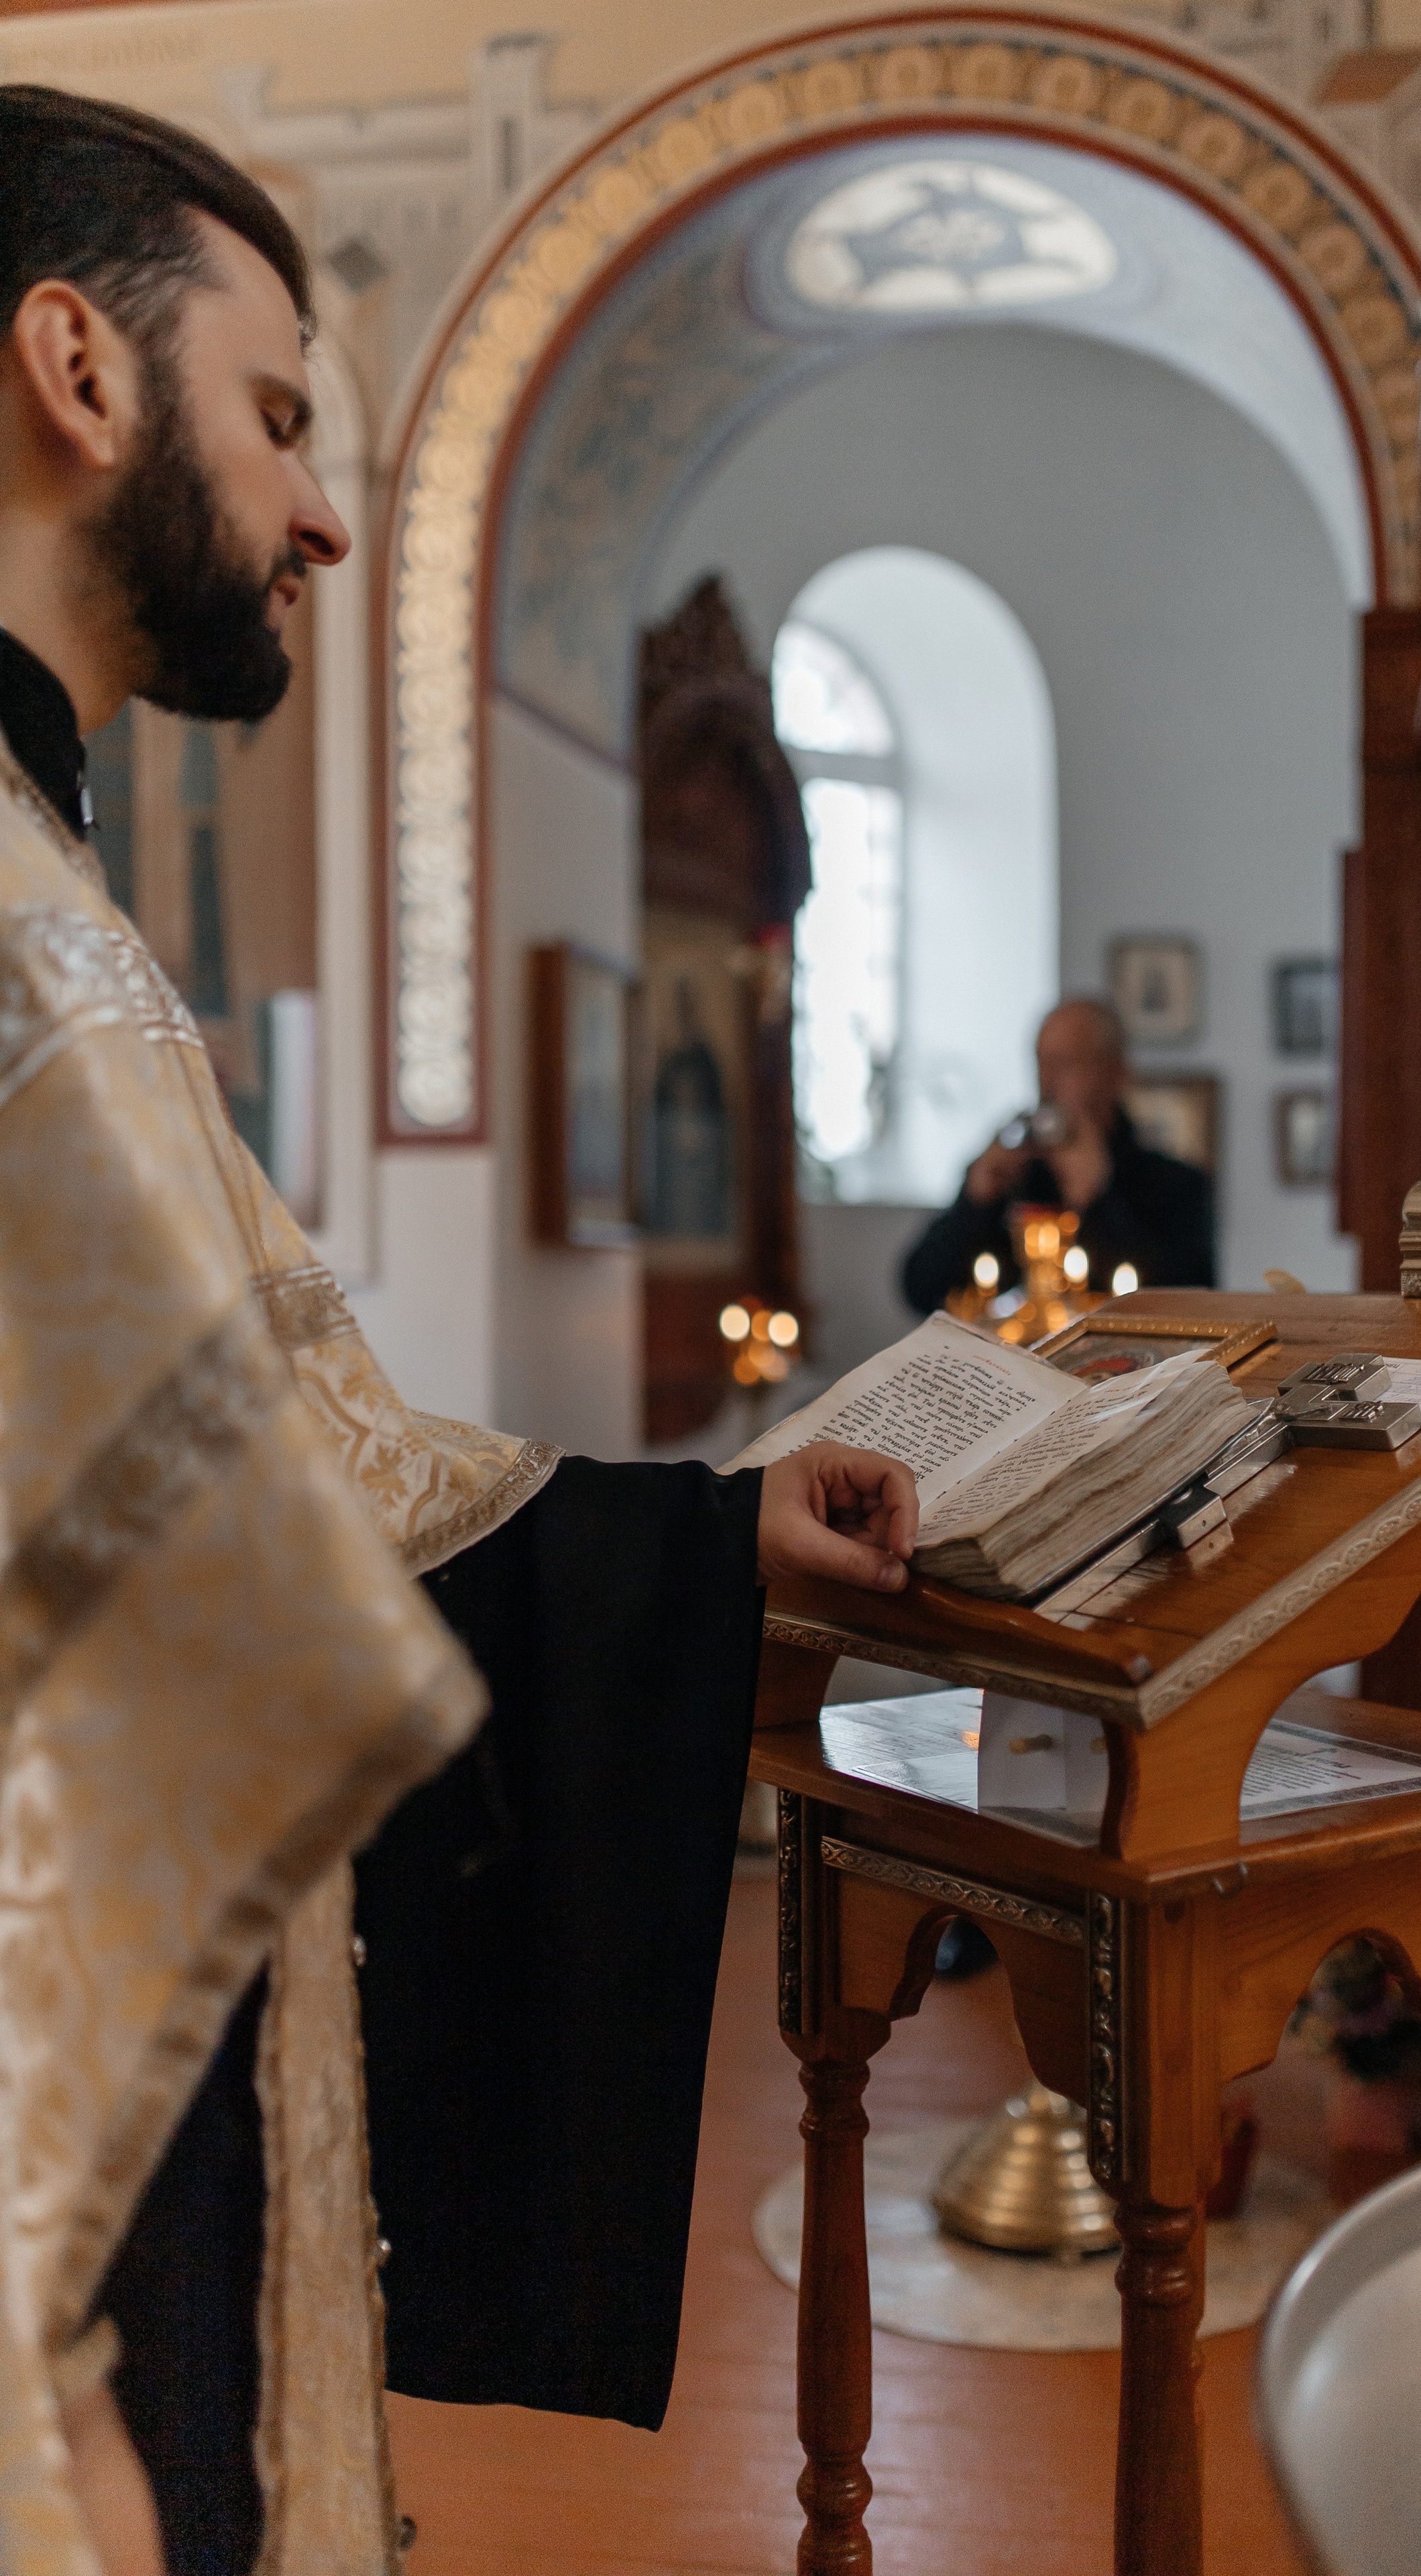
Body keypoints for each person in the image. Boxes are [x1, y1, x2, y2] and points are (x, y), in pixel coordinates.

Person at [0, 86, 918, 2576]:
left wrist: (717, 1546)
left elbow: (261, 1490)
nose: (316, 511)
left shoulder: (53, 880)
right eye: (281, 415)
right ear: (74, 368)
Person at [901, 996, 1215, 1315]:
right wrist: (976, 1202)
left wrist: (1096, 1198)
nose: (1047, 1082)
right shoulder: (1019, 1177)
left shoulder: (1178, 1185)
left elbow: (1188, 1304)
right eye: (1041, 1062)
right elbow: (922, 1290)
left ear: (1117, 1075)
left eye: (1067, 1063)